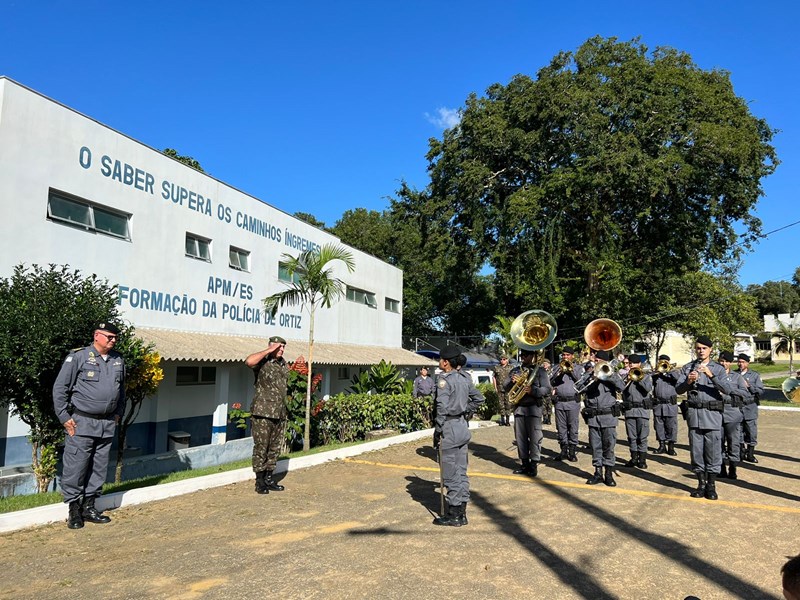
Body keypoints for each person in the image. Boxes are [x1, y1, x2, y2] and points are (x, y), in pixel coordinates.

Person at [53, 322, 126, 529]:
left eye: (115, 338)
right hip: (81, 422)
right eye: (109, 337)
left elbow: (122, 392)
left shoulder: (118, 360)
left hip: (107, 423)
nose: (113, 340)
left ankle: (90, 506)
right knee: (77, 466)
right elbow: (60, 389)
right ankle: (74, 510)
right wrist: (63, 417)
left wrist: (118, 413)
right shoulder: (79, 357)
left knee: (99, 467)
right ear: (96, 335)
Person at [675, 336, 733, 500]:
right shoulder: (688, 367)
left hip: (712, 416)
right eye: (698, 348)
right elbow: (678, 390)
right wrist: (688, 381)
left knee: (713, 451)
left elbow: (727, 389)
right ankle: (700, 485)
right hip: (694, 416)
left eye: (704, 348)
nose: (701, 351)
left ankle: (711, 486)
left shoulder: (719, 368)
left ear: (710, 350)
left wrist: (711, 375)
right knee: (697, 451)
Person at [432, 346, 483, 526]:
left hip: (449, 428)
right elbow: (479, 399)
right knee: (461, 472)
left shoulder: (444, 381)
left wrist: (438, 430)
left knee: (450, 472)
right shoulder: (465, 378)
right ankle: (462, 512)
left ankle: (454, 514)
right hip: (462, 426)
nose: (439, 362)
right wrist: (464, 410)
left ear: (446, 363)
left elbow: (441, 408)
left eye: (440, 359)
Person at [245, 336, 290, 495]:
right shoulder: (262, 362)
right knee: (261, 448)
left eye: (283, 347)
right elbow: (249, 361)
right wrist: (269, 350)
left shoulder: (284, 365)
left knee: (274, 448)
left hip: (279, 412)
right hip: (262, 413)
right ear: (271, 347)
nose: (282, 350)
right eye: (279, 347)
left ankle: (270, 479)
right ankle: (260, 482)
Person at [503, 349, 552, 477]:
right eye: (522, 355)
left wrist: (533, 391)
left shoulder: (540, 371)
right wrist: (511, 382)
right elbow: (504, 385)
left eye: (526, 355)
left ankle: (533, 465)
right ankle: (524, 464)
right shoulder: (515, 370)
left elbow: (547, 389)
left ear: (533, 356)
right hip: (519, 408)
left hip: (534, 408)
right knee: (520, 439)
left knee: (535, 438)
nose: (523, 357)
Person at [581, 350, 624, 486]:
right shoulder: (588, 374)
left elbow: (622, 387)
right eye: (596, 359)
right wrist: (591, 378)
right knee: (595, 446)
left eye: (599, 360)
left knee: (609, 446)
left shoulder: (612, 374)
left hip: (608, 416)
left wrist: (609, 376)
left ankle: (609, 474)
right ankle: (598, 473)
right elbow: (579, 388)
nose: (596, 361)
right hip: (594, 416)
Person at [716, 351, 749, 480]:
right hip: (716, 411)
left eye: (726, 361)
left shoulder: (736, 377)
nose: (723, 364)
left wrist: (728, 391)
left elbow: (745, 393)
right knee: (718, 440)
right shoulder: (713, 376)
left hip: (732, 411)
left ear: (730, 363)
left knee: (733, 441)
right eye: (721, 361)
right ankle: (721, 467)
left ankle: (733, 468)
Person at [549, 346, 584, 462]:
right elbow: (551, 382)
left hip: (573, 402)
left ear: (572, 356)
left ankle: (572, 451)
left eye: (567, 355)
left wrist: (571, 371)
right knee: (561, 427)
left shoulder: (578, 368)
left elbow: (581, 382)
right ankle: (563, 450)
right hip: (559, 402)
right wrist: (558, 373)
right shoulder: (556, 368)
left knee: (573, 427)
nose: (565, 357)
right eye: (563, 355)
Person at [621, 354, 654, 469]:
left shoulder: (645, 376)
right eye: (630, 363)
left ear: (639, 364)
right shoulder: (626, 377)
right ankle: (634, 458)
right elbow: (621, 390)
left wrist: (638, 379)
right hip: (630, 410)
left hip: (642, 410)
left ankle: (642, 460)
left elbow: (648, 389)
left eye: (634, 363)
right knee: (631, 436)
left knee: (642, 436)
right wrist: (627, 380)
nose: (632, 365)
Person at [736, 353, 765, 463]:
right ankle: (741, 452)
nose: (740, 364)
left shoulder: (754, 375)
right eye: (739, 362)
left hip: (750, 407)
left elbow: (761, 391)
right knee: (738, 430)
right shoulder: (734, 374)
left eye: (743, 362)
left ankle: (751, 453)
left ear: (747, 363)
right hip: (737, 406)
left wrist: (750, 386)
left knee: (751, 430)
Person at [651, 354, 680, 456]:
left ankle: (671, 446)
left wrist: (669, 371)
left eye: (664, 362)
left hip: (670, 404)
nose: (662, 364)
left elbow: (679, 379)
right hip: (658, 404)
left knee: (671, 426)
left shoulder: (674, 373)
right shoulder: (656, 375)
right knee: (659, 426)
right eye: (660, 361)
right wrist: (656, 372)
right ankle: (661, 445)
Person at [492, 354, 514, 426]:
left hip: (508, 389)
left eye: (504, 359)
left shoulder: (511, 368)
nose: (502, 361)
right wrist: (495, 387)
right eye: (501, 359)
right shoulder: (496, 367)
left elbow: (514, 377)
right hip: (500, 389)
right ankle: (502, 420)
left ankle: (507, 421)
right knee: (501, 405)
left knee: (508, 404)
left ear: (507, 360)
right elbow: (494, 377)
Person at [541, 359, 554, 425]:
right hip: (543, 391)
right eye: (543, 364)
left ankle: (549, 419)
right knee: (543, 406)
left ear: (549, 365)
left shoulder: (551, 372)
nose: (544, 365)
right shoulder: (541, 372)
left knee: (549, 406)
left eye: (546, 364)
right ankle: (544, 419)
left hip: (549, 392)